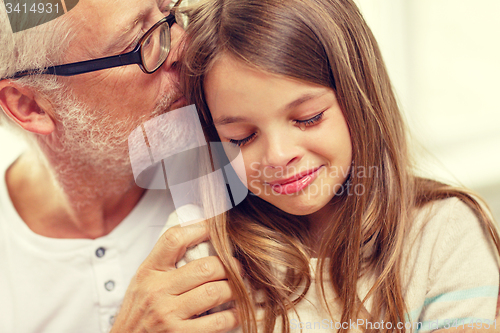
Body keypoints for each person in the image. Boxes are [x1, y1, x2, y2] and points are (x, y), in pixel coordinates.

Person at [180, 0, 500, 332]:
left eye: (309, 118)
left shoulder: (445, 234)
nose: (277, 155)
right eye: (242, 137)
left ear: (360, 97)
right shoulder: (202, 255)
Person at [0, 0, 239, 332]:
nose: (185, 46)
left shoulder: (243, 164)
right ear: (30, 106)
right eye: (140, 43)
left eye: (169, 13)